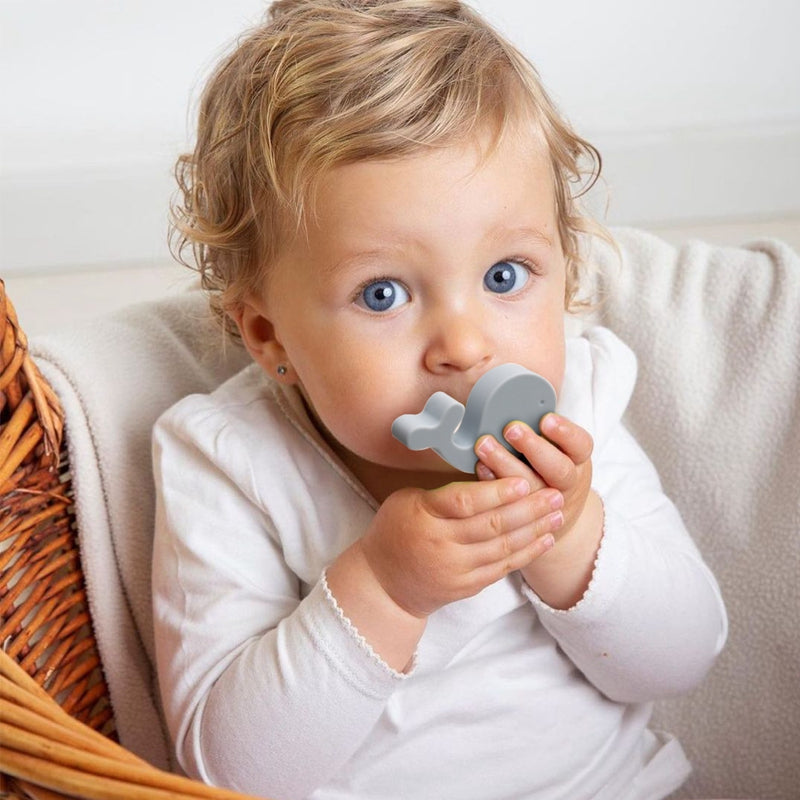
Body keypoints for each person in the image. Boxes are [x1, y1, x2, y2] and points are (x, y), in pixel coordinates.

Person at [151, 2, 727, 798]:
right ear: (268, 334)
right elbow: (230, 770)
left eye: (503, 276)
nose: (464, 343)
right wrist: (385, 590)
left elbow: (684, 657)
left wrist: (572, 535)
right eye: (382, 293)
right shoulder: (227, 460)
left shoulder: (575, 415)